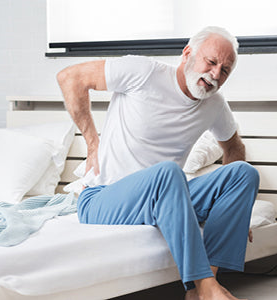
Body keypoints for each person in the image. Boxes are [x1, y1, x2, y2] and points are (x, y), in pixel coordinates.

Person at [57, 26, 259, 300]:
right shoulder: (143, 72)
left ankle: (203, 287)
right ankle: (204, 286)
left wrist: (235, 207)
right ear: (188, 53)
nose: (214, 75)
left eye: (224, 71)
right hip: (102, 199)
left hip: (166, 198)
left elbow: (234, 147)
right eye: (211, 62)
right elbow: (70, 77)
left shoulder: (214, 104)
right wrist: (93, 142)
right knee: (168, 173)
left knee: (243, 174)